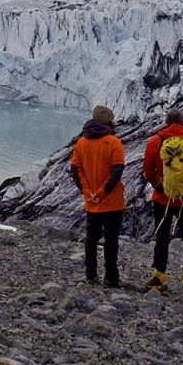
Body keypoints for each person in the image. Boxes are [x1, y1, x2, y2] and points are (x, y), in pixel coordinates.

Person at [142, 107, 183, 296]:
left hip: (162, 199)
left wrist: (161, 187)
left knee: (162, 238)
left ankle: (160, 277)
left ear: (166, 122)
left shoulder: (154, 142)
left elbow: (148, 170)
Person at [69, 104, 126, 287]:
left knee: (91, 238)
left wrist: (89, 192)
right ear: (107, 122)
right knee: (111, 240)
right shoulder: (113, 142)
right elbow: (117, 171)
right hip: (112, 202)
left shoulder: (81, 143)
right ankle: (110, 277)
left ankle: (91, 273)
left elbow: (76, 170)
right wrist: (102, 193)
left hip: (92, 202)